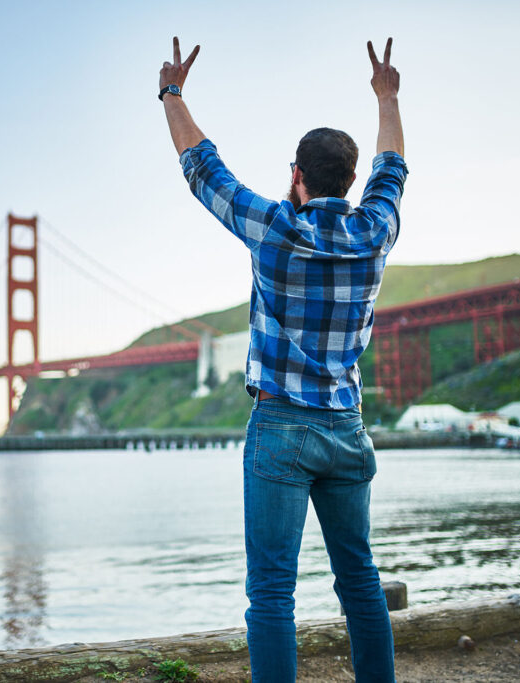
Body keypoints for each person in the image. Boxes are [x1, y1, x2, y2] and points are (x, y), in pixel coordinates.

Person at [158, 36, 407, 682]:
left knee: (271, 591)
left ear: (296, 175)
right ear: (348, 181)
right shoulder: (373, 231)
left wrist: (171, 92)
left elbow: (202, 169)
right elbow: (393, 167)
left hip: (279, 432)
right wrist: (387, 96)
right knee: (359, 579)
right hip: (345, 429)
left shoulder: (273, 227)